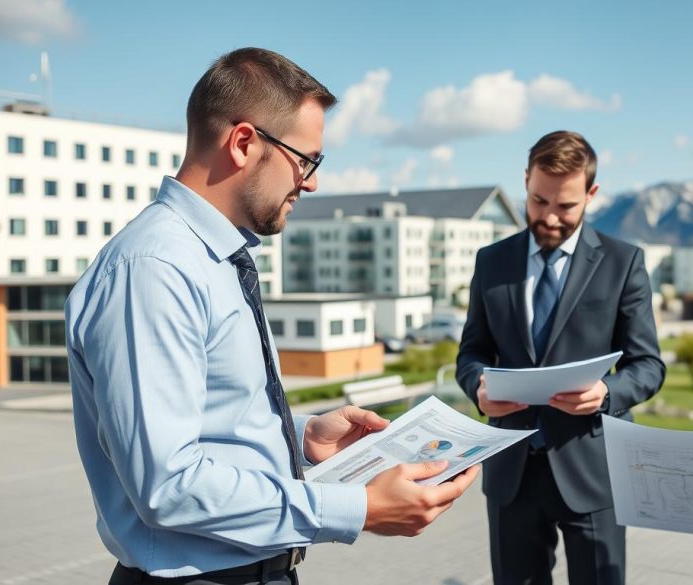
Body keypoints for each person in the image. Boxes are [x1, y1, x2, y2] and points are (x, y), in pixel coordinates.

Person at [66, 47, 478, 585]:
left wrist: (299, 437)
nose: (311, 183)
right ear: (243, 143)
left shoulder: (211, 257)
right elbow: (167, 486)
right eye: (306, 160)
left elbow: (210, 424)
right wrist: (357, 507)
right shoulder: (156, 269)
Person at [456, 130, 665, 585]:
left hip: (593, 469)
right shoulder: (491, 261)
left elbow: (649, 365)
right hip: (512, 472)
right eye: (537, 201)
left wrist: (607, 392)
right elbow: (471, 352)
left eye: (566, 206)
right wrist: (478, 387)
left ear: (591, 194)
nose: (549, 218)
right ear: (526, 180)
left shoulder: (623, 262)